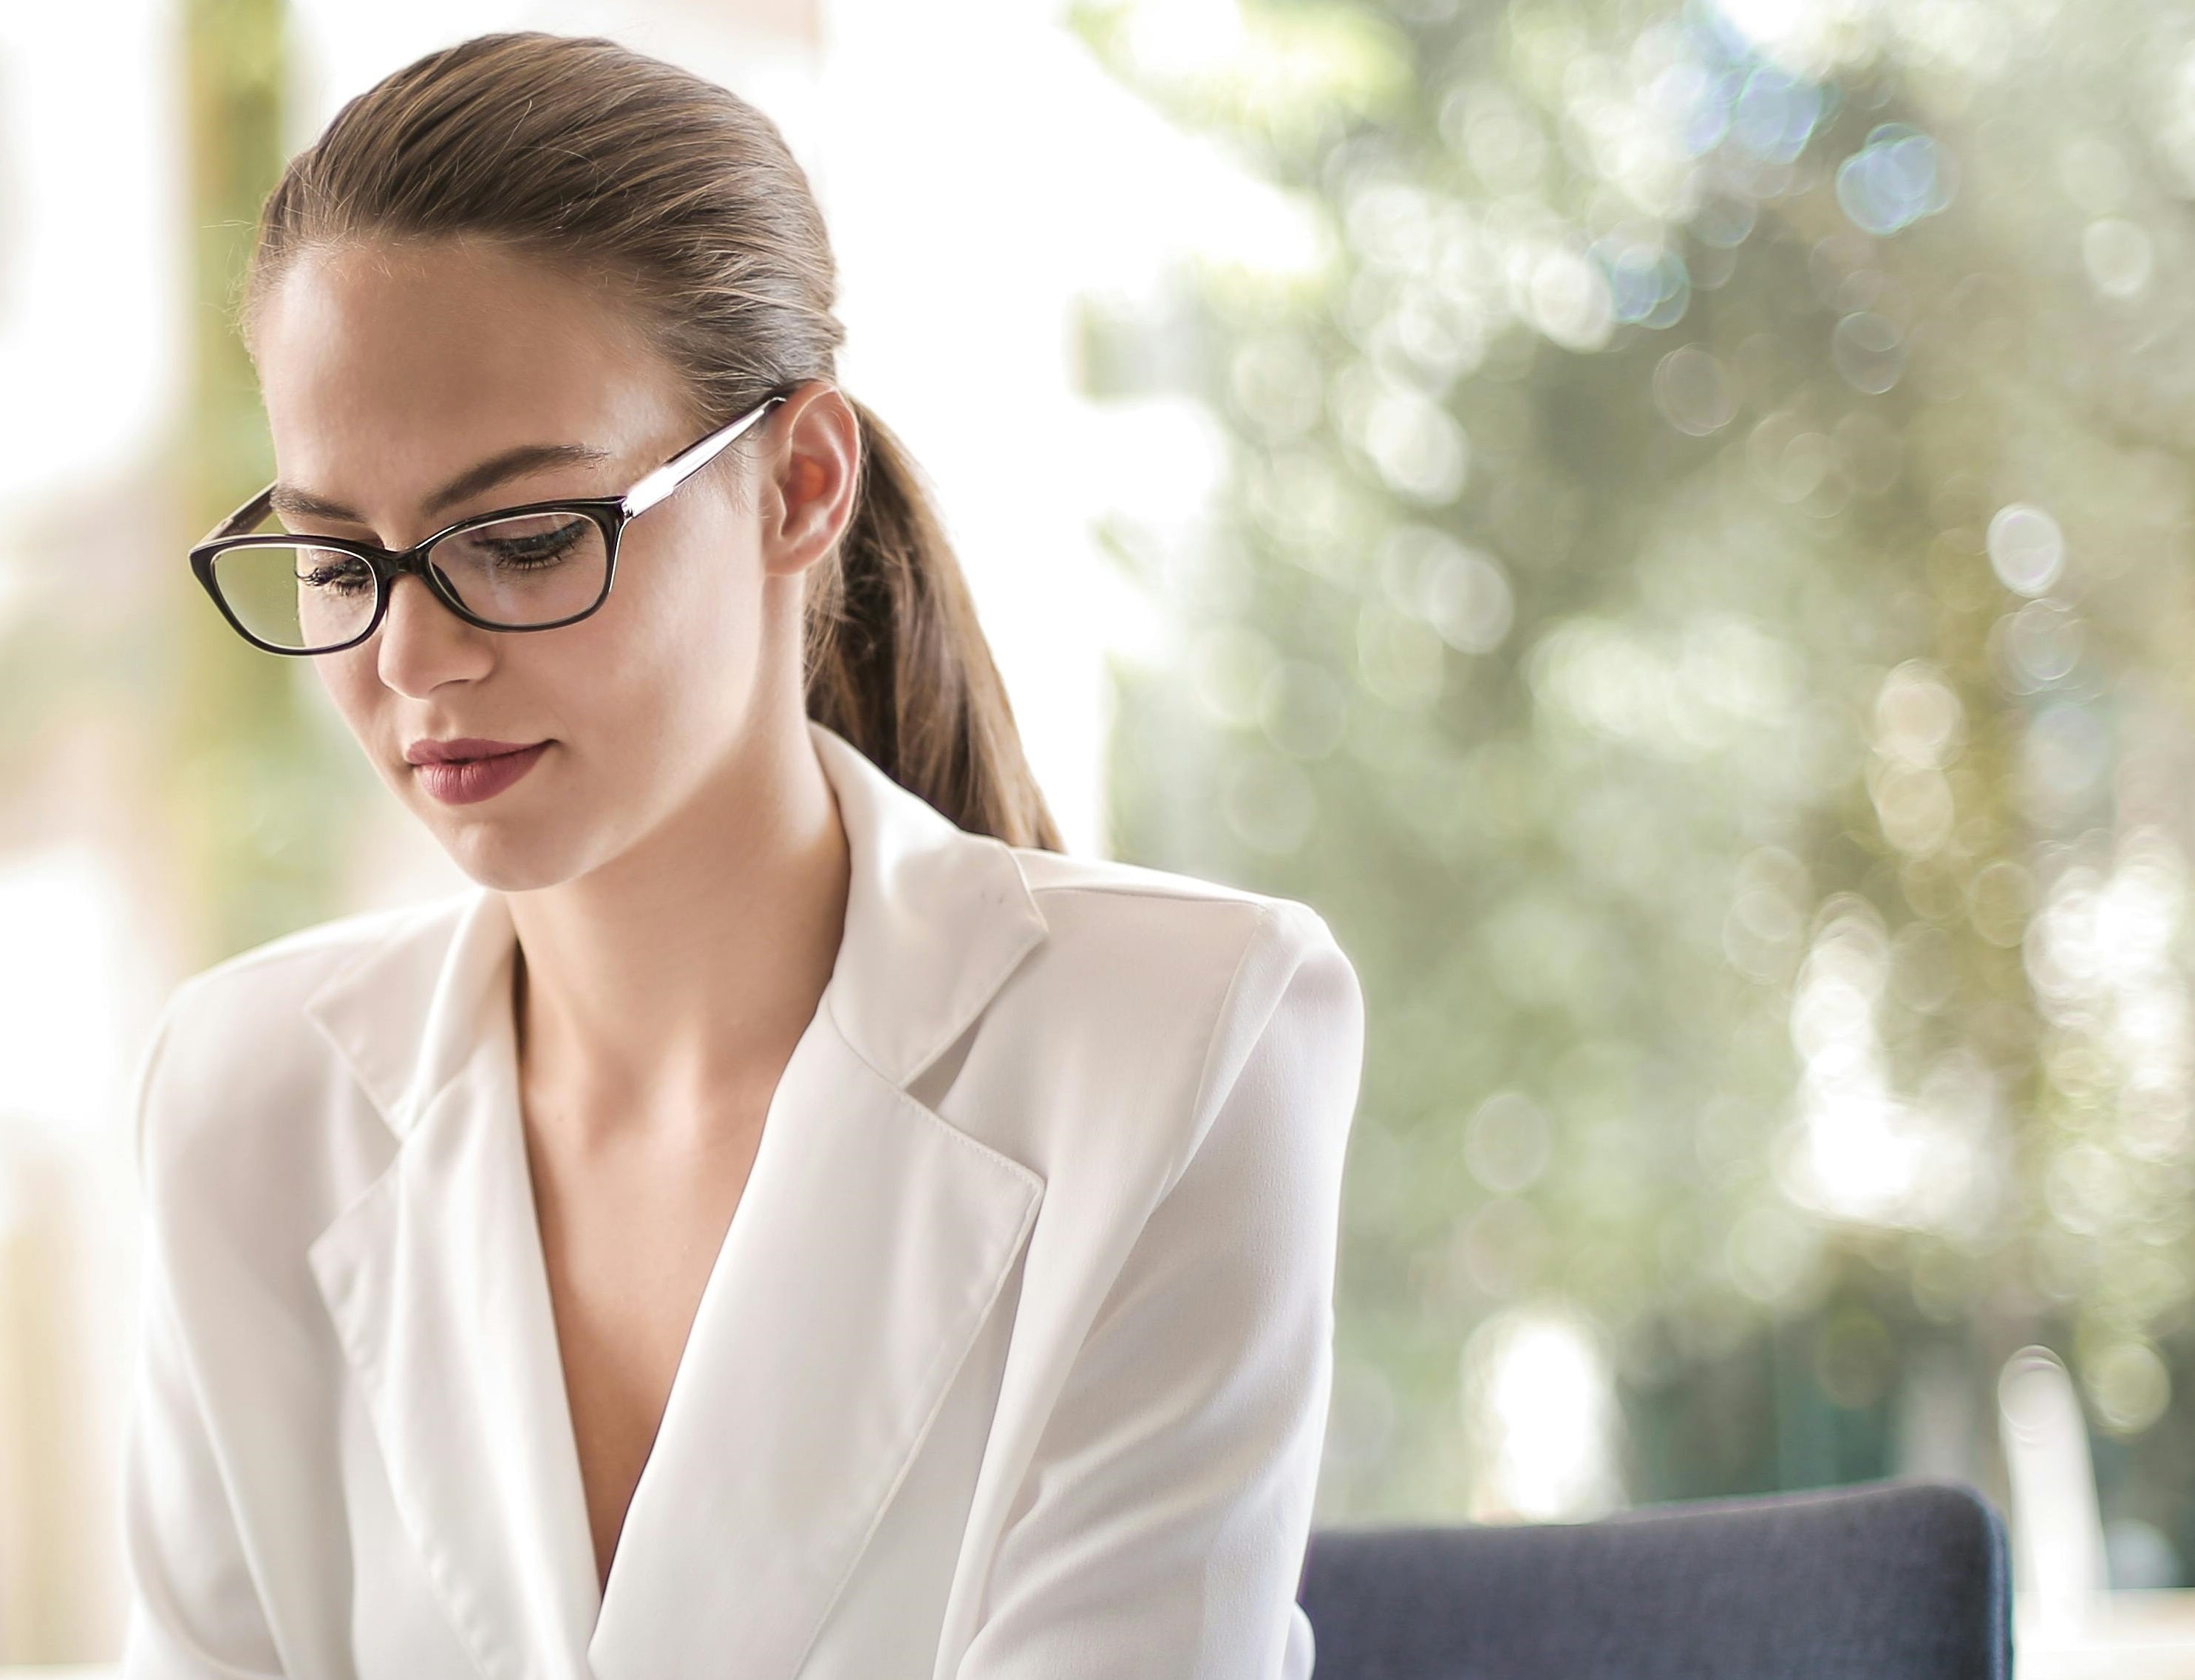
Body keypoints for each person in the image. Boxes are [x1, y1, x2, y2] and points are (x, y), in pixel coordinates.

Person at [119, 32, 1367, 1680]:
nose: (412, 662)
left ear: (798, 484)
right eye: (339, 558)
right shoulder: (246, 1093)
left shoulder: (1186, 1036)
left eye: (521, 536)